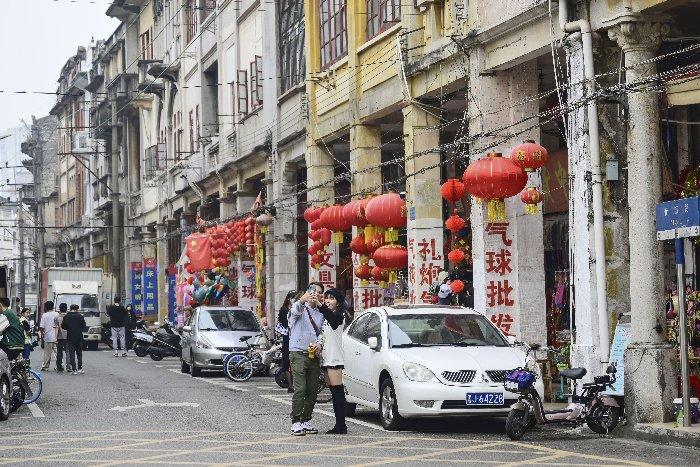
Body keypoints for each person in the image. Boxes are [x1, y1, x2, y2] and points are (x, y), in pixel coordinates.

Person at [288, 281, 325, 436]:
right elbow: (293, 313)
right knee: (300, 389)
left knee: (312, 390)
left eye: (319, 292)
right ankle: (296, 421)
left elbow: (323, 331)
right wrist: (301, 300)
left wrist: (319, 344)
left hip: (314, 355)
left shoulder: (322, 312)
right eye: (312, 291)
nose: (315, 294)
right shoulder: (300, 308)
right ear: (307, 292)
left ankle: (306, 419)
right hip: (298, 353)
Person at [318, 288, 349, 434]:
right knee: (334, 392)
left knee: (338, 393)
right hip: (326, 357)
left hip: (334, 357)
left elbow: (334, 322)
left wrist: (320, 305)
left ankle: (341, 426)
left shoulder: (339, 316)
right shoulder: (326, 316)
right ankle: (339, 424)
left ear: (338, 302)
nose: (328, 301)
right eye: (326, 298)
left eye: (331, 298)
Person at [277, 290, 297, 394]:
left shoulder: (299, 309)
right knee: (287, 361)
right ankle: (290, 385)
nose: (294, 300)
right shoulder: (284, 310)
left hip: (297, 338)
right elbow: (284, 323)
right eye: (292, 297)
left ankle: (296, 384)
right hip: (287, 339)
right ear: (289, 298)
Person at [62, 304, 86, 374]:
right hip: (79, 336)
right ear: (77, 309)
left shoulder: (66, 316)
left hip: (70, 336)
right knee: (79, 353)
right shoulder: (80, 316)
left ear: (70, 308)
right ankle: (80, 368)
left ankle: (74, 369)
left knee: (71, 353)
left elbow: (63, 326)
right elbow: (83, 326)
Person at [38, 300, 59, 370]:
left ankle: (45, 366)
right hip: (57, 336)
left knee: (47, 353)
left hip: (48, 337)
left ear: (46, 307)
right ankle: (59, 365)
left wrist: (42, 334)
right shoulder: (57, 314)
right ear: (53, 307)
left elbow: (41, 327)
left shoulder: (45, 315)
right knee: (57, 353)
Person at [55, 303, 69, 372]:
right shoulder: (69, 316)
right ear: (66, 308)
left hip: (60, 337)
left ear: (60, 308)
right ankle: (69, 366)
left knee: (59, 352)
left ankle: (59, 367)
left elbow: (56, 328)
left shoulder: (57, 317)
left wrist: (55, 337)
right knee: (68, 352)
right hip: (68, 337)